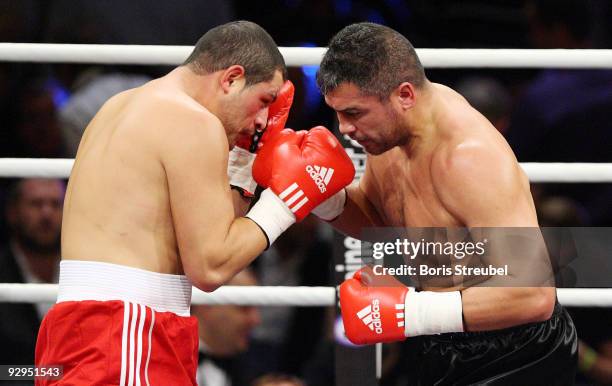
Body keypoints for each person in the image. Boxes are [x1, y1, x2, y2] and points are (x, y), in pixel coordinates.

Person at [35, 20, 355, 385]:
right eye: (265, 100)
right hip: (127, 332)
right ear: (232, 78)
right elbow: (211, 267)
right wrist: (287, 202)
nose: (266, 120)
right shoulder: (194, 123)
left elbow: (218, 233)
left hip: (82, 328)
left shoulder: (121, 106)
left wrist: (245, 160)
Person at [314, 22, 577, 384]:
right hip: (443, 336)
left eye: (354, 113)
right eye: (338, 113)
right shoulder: (388, 135)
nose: (344, 129)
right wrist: (322, 198)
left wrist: (409, 310)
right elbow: (379, 224)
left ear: (405, 95)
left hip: (517, 351)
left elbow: (533, 296)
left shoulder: (468, 157)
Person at [0, 179, 64, 366]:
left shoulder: (84, 272)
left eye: (55, 204)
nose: (47, 213)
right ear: (12, 212)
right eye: (36, 204)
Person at [193, 268, 261, 386]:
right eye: (244, 307)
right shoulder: (161, 354)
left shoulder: (253, 371)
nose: (255, 320)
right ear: (207, 303)